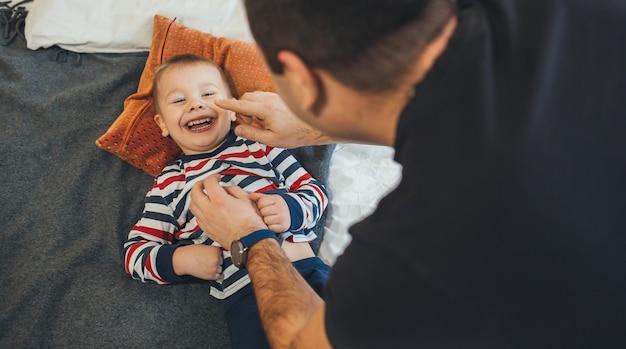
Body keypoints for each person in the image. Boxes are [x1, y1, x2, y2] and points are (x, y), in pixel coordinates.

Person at [190, 0, 626, 348]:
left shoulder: (411, 251)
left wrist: (249, 239)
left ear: (303, 78)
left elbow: (304, 341)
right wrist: (312, 126)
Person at [124, 54, 331, 349]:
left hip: (309, 269)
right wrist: (181, 260)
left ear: (232, 108)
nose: (196, 104)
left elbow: (314, 191)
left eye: (208, 94)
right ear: (162, 124)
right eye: (179, 100)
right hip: (247, 298)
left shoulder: (261, 146)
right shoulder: (169, 182)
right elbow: (135, 254)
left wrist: (291, 209)